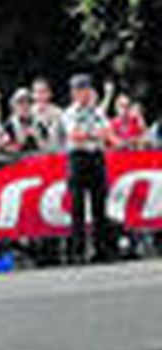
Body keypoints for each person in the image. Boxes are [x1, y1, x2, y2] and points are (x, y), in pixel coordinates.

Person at [63, 73, 116, 263]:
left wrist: (94, 135)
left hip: (96, 157)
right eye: (79, 90)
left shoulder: (98, 111)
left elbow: (109, 133)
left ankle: (101, 250)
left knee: (99, 205)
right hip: (78, 158)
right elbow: (75, 135)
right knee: (77, 206)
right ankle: (78, 251)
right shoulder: (70, 112)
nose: (84, 93)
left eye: (86, 89)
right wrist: (95, 134)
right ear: (74, 93)